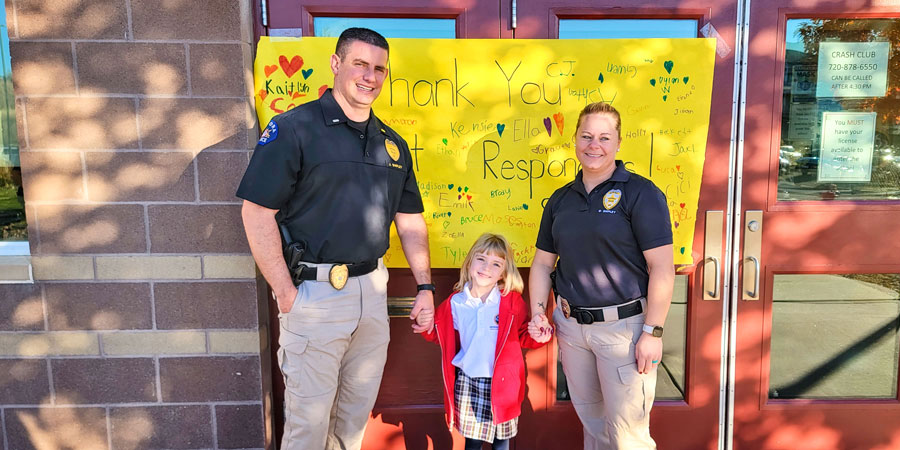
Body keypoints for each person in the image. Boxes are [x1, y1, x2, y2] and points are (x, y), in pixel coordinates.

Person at [236, 27, 435, 450]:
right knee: (308, 428)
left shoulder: (393, 144)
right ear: (336, 64)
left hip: (371, 294)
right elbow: (255, 214)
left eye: (379, 68)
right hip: (313, 296)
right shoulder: (294, 128)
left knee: (351, 421)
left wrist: (425, 286)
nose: (370, 76)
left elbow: (411, 219)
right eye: (360, 64)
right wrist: (286, 294)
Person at [527, 102, 675, 449]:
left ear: (619, 143)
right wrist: (537, 311)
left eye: (604, 137)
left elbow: (662, 268)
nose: (595, 145)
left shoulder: (641, 193)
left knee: (629, 436)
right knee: (594, 428)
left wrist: (653, 332)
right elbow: (542, 265)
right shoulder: (561, 200)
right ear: (575, 140)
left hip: (624, 332)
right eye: (587, 136)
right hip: (573, 329)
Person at [421, 233, 549, 450]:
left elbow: (523, 337)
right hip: (468, 382)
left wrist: (538, 335)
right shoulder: (455, 303)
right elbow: (439, 335)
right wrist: (425, 325)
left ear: (503, 273)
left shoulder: (511, 302)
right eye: (481, 259)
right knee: (472, 443)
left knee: (501, 443)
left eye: (496, 263)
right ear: (470, 261)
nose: (486, 267)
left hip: (503, 385)